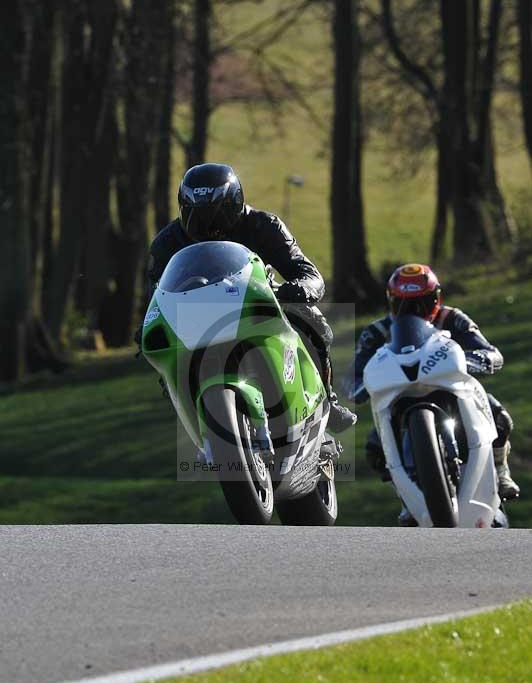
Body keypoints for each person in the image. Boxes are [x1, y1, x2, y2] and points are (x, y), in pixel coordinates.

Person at [143, 162, 356, 433]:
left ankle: (327, 400)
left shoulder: (264, 225)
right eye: (198, 216)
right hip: (195, 316)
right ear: (183, 208)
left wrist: (302, 288)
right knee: (163, 353)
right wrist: (146, 324)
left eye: (217, 215)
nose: (209, 226)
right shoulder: (166, 243)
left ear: (235, 202)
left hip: (255, 301)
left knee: (315, 323)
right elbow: (155, 293)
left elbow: (306, 270)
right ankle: (197, 420)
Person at [343, 263, 519, 525]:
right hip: (401, 398)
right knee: (373, 446)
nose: (411, 311)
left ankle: (500, 469)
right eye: (402, 304)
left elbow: (489, 350)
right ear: (391, 302)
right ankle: (407, 497)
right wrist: (358, 386)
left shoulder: (454, 318)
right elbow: (354, 373)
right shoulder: (376, 332)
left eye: (421, 303)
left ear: (436, 299)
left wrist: (476, 360)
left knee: (498, 414)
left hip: (449, 390)